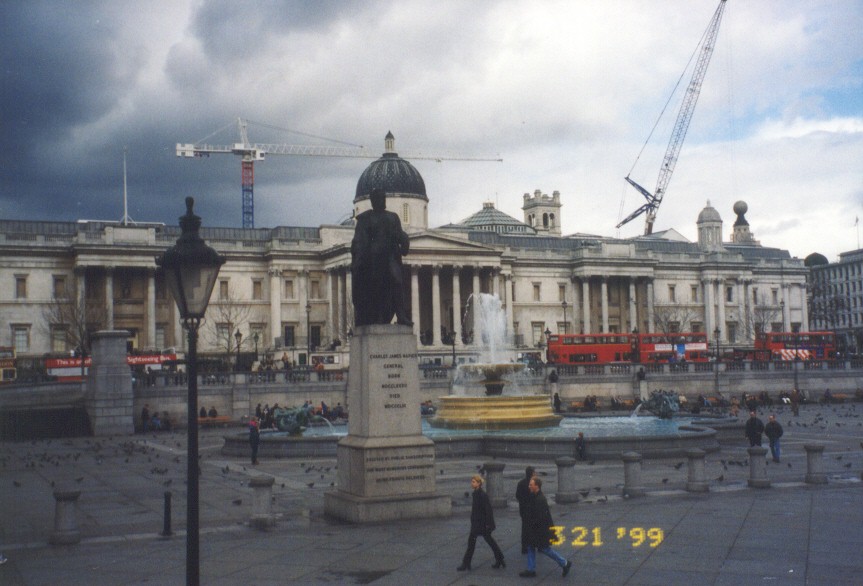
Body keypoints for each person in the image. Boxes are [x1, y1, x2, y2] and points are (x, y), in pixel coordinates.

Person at [351, 188, 412, 326]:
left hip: (390, 257)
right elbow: (359, 241)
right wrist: (358, 262)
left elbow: (400, 234)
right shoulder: (366, 219)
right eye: (379, 198)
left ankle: (401, 315)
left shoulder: (393, 217)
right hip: (373, 259)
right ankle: (377, 316)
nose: (382, 200)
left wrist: (404, 241)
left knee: (397, 282)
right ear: (373, 201)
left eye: (383, 197)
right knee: (377, 286)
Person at [521, 477, 572, 578]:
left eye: (531, 485)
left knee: (545, 549)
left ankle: (564, 563)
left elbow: (540, 518)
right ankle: (531, 569)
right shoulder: (535, 496)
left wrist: (531, 525)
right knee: (531, 547)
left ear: (537, 486)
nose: (529, 486)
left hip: (539, 530)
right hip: (536, 529)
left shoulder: (540, 499)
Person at [457, 475, 505, 571]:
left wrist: (488, 524)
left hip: (481, 524)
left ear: (479, 483)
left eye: (474, 482)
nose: (472, 483)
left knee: (476, 542)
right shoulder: (476, 494)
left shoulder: (482, 495)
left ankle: (466, 563)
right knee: (482, 542)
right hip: (478, 523)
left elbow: (488, 510)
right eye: (472, 481)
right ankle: (499, 559)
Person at [515, 466, 536, 554]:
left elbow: (517, 495)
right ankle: (533, 545)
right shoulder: (534, 483)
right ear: (532, 473)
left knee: (525, 528)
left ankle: (524, 547)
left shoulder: (521, 483)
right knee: (534, 527)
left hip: (523, 509)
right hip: (532, 509)